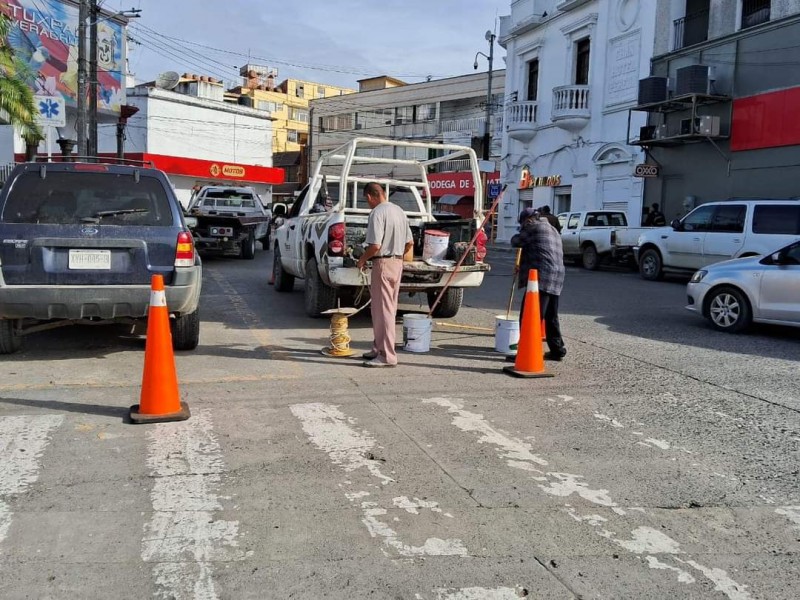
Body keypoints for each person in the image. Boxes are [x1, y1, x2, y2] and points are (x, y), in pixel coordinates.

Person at [356, 182, 413, 368]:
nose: (368, 204)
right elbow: (409, 243)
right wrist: (397, 255)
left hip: (382, 263)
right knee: (382, 310)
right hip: (397, 263)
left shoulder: (377, 213)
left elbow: (375, 246)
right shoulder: (399, 211)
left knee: (384, 312)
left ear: (370, 196)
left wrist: (362, 260)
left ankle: (387, 356)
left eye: (367, 201)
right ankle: (377, 348)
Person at [511, 208, 567, 361]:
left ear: (527, 220)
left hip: (541, 276)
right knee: (551, 315)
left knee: (530, 315)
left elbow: (515, 241)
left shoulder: (532, 227)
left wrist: (521, 230)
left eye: (522, 223)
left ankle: (525, 352)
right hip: (557, 275)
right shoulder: (552, 228)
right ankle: (557, 349)